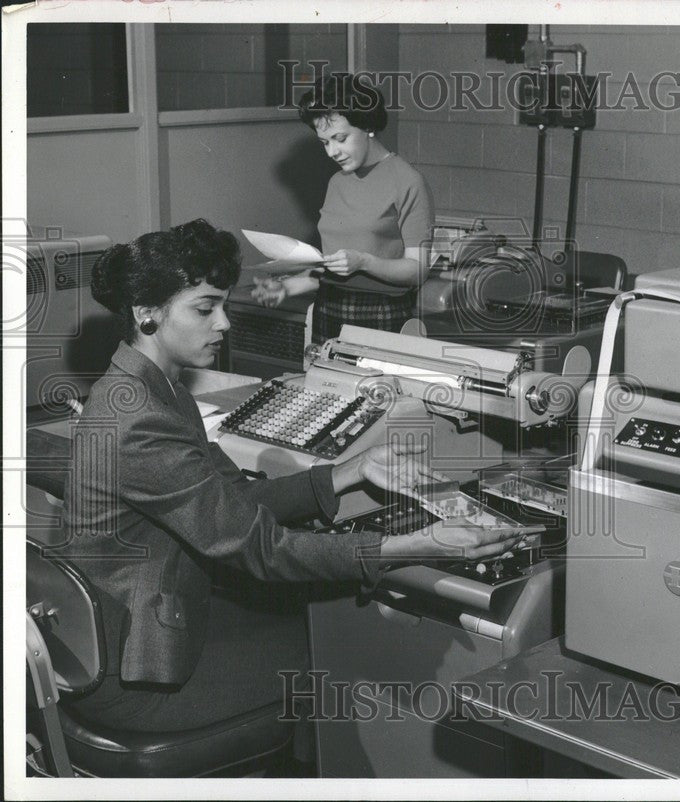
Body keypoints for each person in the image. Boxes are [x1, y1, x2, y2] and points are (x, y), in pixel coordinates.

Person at [61, 219, 525, 744]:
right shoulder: (139, 418)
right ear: (146, 314)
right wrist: (415, 544)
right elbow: (262, 548)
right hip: (134, 680)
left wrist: (348, 471)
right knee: (336, 655)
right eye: (204, 307)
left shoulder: (154, 389)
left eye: (224, 305)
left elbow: (237, 501)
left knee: (314, 629)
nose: (225, 324)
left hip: (140, 630)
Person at [252, 73, 433, 341]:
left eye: (340, 138)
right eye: (325, 142)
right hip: (330, 308)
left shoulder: (408, 181)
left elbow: (418, 270)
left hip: (382, 313)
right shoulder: (337, 181)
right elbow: (332, 270)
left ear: (367, 125)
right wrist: (286, 287)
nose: (331, 152)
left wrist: (365, 262)